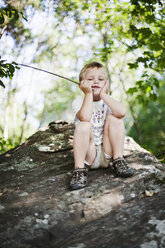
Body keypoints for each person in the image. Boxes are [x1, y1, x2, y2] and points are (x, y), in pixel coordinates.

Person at [70, 61, 135, 190]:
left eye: (100, 79)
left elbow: (121, 112)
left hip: (108, 153)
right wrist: (88, 94)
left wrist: (104, 95)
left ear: (106, 83)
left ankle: (118, 160)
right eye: (90, 79)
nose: (95, 82)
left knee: (115, 119)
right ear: (81, 85)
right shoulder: (78, 102)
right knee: (83, 126)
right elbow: (85, 117)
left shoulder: (108, 100)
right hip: (90, 155)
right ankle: (79, 170)